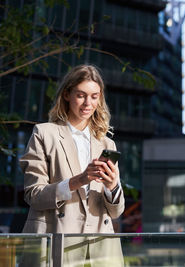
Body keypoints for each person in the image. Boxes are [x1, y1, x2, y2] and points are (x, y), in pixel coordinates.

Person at [19, 65, 125, 266]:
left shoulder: (107, 144)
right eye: (81, 95)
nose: (88, 103)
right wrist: (80, 180)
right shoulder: (44, 134)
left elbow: (116, 212)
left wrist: (112, 187)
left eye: (94, 96)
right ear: (67, 94)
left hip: (99, 250)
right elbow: (33, 195)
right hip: (57, 242)